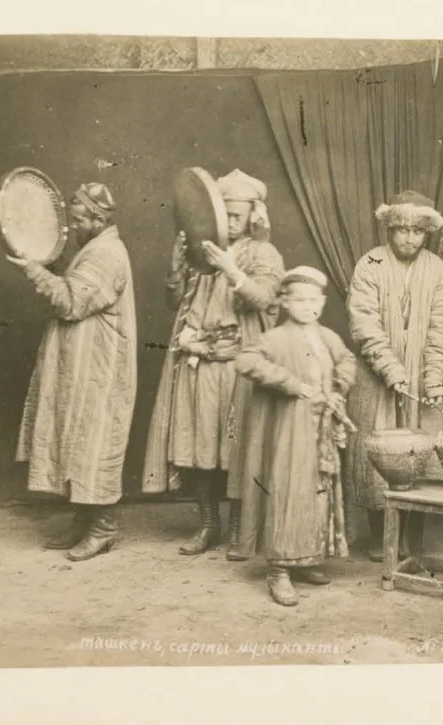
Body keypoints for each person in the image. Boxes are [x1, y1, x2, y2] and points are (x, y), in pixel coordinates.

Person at [142, 169, 285, 557]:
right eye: (226, 215)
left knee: (236, 449)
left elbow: (265, 299)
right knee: (199, 448)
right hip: (199, 365)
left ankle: (238, 527)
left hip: (238, 368)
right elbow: (175, 303)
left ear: (254, 215)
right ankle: (208, 523)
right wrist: (176, 268)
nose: (231, 223)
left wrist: (230, 269)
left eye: (237, 215)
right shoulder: (200, 252)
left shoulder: (263, 254)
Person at [9, 182, 136, 562]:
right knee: (77, 441)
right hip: (84, 367)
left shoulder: (105, 255)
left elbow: (70, 302)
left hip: (99, 370)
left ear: (98, 219)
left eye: (79, 219)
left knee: (93, 444)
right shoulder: (95, 248)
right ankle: (84, 519)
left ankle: (104, 527)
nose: (73, 225)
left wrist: (34, 271)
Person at [231, 266, 358, 606]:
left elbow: (347, 360)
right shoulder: (275, 338)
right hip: (290, 431)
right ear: (285, 303)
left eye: (314, 300)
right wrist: (291, 384)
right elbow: (245, 361)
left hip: (321, 432)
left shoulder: (327, 336)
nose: (308, 307)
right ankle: (279, 568)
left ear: (323, 302)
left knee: (316, 493)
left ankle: (306, 559)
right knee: (288, 491)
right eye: (300, 300)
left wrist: (338, 387)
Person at [344, 190, 443, 562]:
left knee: (420, 450)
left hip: (420, 376)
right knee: (380, 452)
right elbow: (364, 322)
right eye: (402, 230)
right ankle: (381, 535)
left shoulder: (436, 269)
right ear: (389, 228)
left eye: (417, 231)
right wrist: (390, 368)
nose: (409, 238)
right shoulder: (371, 263)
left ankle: (412, 536)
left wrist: (434, 376)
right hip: (377, 376)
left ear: (427, 233)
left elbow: (441, 327)